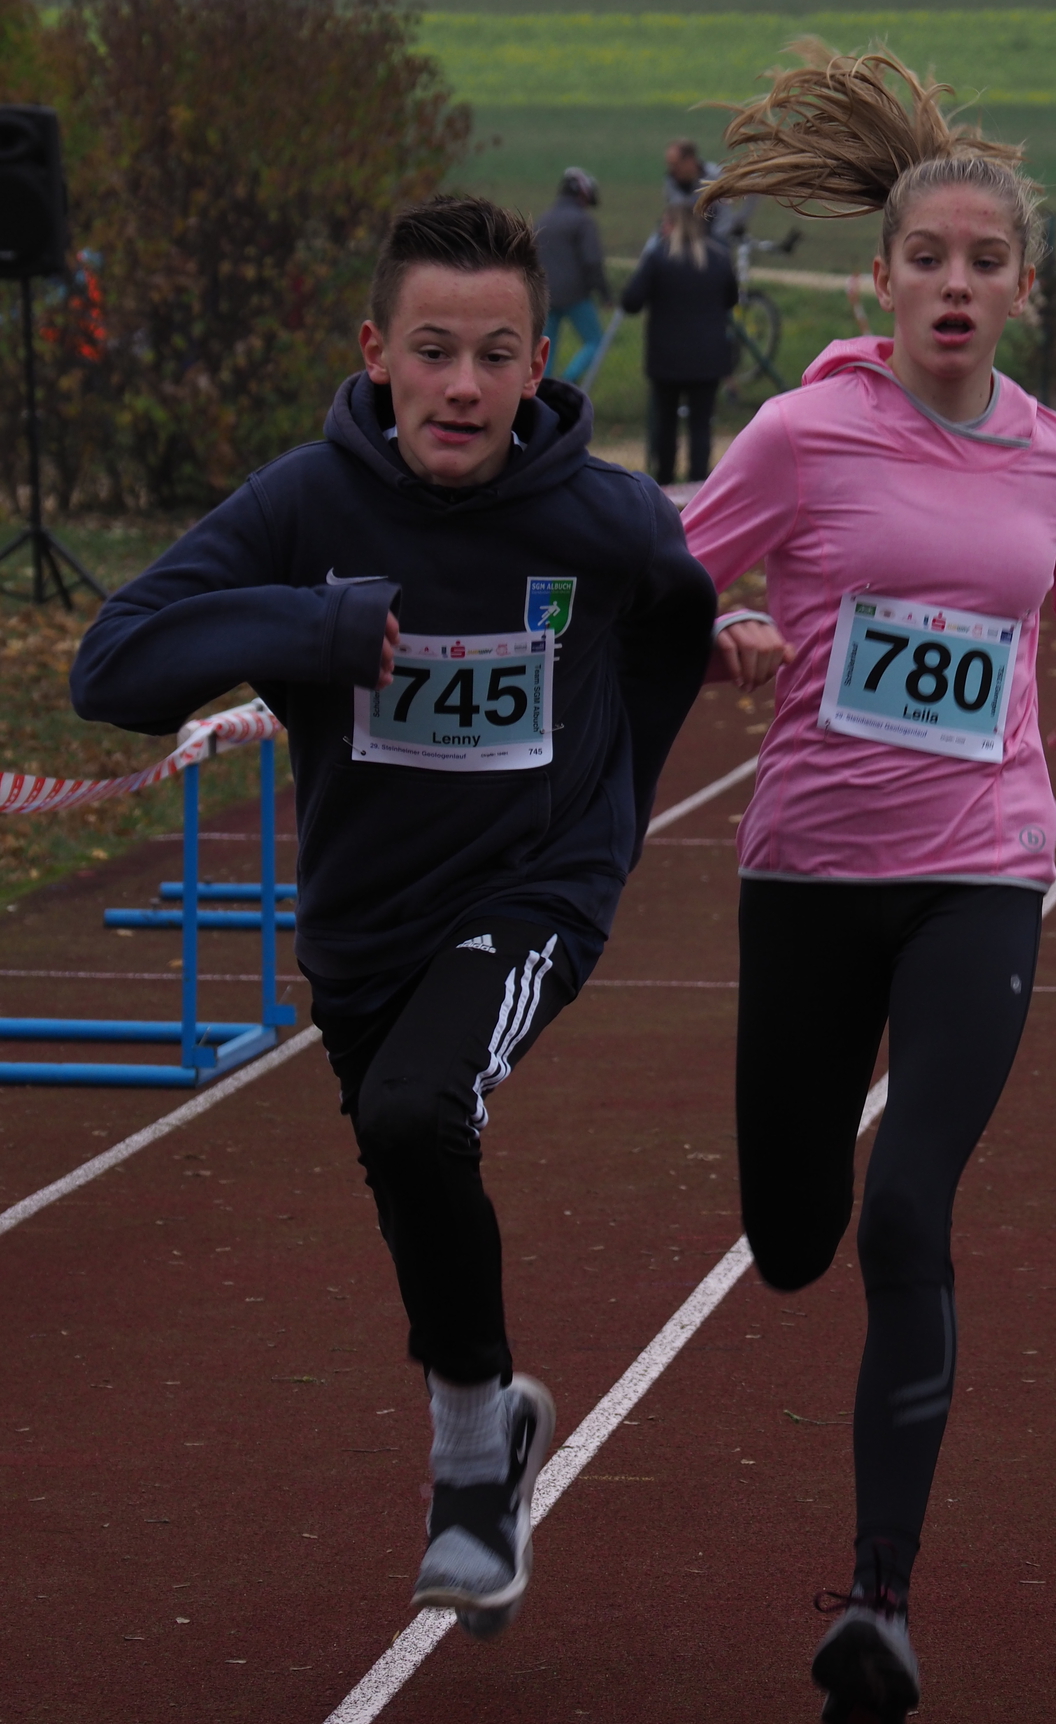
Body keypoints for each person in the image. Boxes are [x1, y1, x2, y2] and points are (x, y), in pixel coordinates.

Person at [69, 196, 716, 1638]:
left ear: (540, 363)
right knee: (402, 1142)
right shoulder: (307, 505)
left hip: (535, 890)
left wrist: (612, 813)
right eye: (434, 351)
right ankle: (492, 1415)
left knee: (421, 1113)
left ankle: (470, 1473)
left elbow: (678, 613)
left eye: (495, 356)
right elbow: (111, 670)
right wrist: (311, 628)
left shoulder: (604, 519)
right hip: (364, 923)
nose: (463, 386)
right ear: (377, 353)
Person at [682, 48, 1056, 1724]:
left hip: (983, 869)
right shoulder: (801, 435)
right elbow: (665, 572)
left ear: (1023, 289)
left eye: (987, 260)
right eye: (928, 257)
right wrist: (719, 625)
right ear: (879, 280)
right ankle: (802, 1235)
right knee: (791, 1238)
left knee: (908, 1210)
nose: (956, 283)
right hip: (809, 870)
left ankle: (880, 1602)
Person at [620, 199, 739, 487]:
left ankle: (665, 484)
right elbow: (731, 299)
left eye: (665, 223)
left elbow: (631, 301)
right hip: (708, 356)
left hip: (667, 357)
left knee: (666, 424)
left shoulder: (658, 259)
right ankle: (699, 486)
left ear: (673, 226)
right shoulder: (719, 258)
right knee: (701, 425)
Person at [535, 166, 609, 383]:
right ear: (583, 195)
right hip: (575, 296)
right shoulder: (582, 221)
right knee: (596, 341)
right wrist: (604, 294)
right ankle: (567, 381)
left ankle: (543, 391)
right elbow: (592, 261)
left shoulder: (543, 219)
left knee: (546, 348)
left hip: (545, 295)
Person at [665, 136, 743, 250]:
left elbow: (724, 215)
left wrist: (739, 220)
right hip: (681, 238)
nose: (672, 169)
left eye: (675, 164)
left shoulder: (716, 177)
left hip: (715, 237)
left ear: (690, 160)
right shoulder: (671, 180)